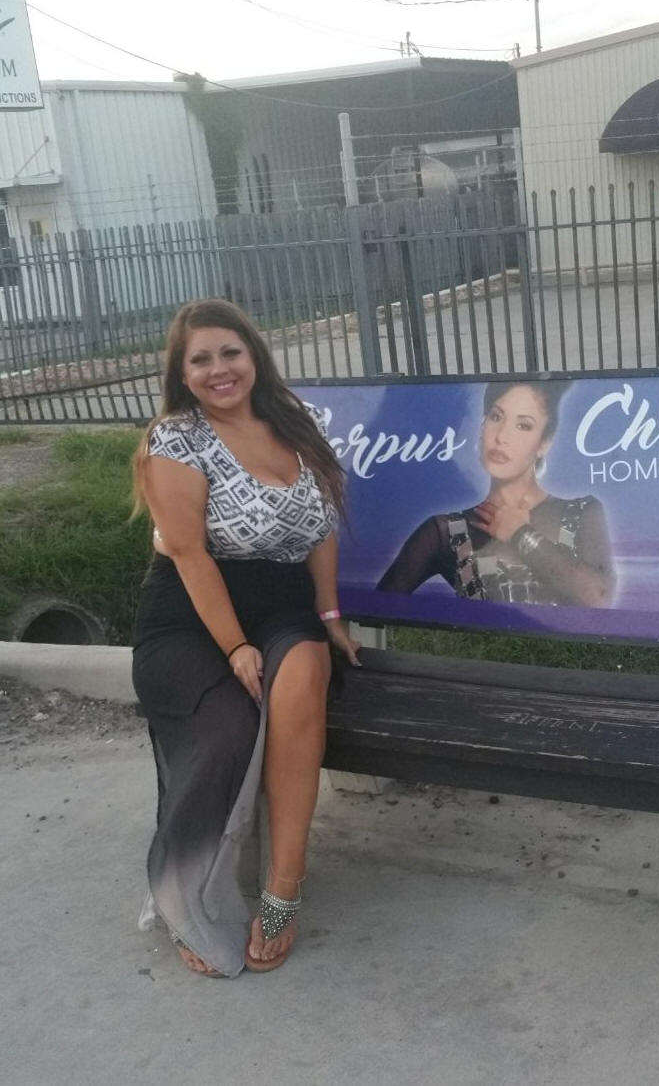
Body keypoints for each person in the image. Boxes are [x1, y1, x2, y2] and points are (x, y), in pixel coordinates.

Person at [130, 298, 359, 978]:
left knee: (303, 678)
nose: (218, 369)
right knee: (226, 728)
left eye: (229, 352)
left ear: (253, 354)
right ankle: (187, 894)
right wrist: (234, 646)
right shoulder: (176, 438)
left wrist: (328, 615)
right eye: (199, 359)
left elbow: (321, 527)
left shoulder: (298, 421)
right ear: (182, 374)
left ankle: (283, 889)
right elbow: (189, 553)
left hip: (282, 606)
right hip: (189, 614)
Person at [377, 380, 615, 606]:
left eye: (523, 425)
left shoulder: (580, 512)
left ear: (544, 443)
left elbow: (598, 597)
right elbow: (378, 607)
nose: (501, 437)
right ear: (483, 426)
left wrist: (521, 534)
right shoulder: (447, 531)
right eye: (496, 417)